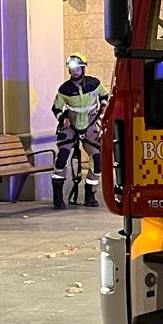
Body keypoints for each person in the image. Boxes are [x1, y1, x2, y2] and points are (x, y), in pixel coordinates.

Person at [51, 53, 108, 209]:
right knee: (62, 158)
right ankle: (57, 195)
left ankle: (90, 194)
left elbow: (104, 94)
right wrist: (63, 118)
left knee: (97, 161)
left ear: (83, 68)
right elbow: (56, 108)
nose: (74, 71)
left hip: (90, 126)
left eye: (77, 68)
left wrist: (103, 106)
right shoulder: (64, 89)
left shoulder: (94, 83)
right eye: (71, 69)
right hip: (71, 127)